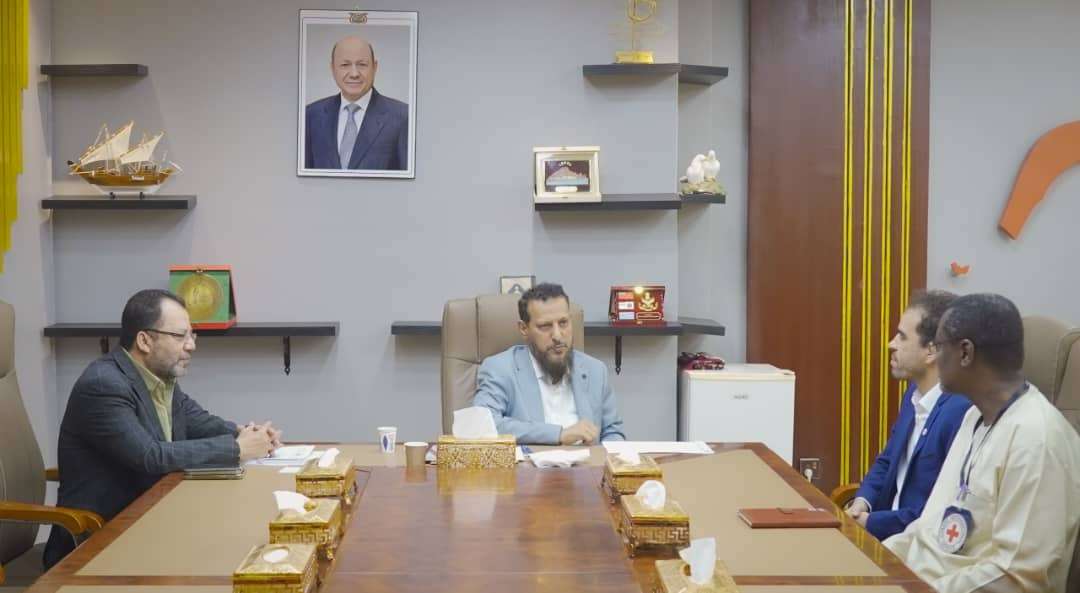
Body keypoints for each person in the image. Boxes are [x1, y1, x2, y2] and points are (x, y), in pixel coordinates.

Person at [43, 290, 282, 569]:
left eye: (192, 335)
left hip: (152, 522)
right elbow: (150, 456)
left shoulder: (159, 378)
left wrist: (248, 433)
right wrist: (238, 448)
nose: (191, 345)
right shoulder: (103, 385)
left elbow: (197, 421)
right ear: (145, 340)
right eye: (180, 336)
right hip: (100, 541)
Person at [884, 293, 1080, 593]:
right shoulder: (975, 416)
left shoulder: (1037, 439)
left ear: (965, 352)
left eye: (939, 346)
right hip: (918, 579)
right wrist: (875, 560)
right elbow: (928, 526)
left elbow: (1019, 577)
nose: (934, 357)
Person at [845, 290, 971, 540]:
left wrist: (870, 522)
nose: (891, 344)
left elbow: (937, 511)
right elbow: (888, 459)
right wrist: (862, 502)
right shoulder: (914, 393)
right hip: (883, 536)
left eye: (902, 337)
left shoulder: (961, 412)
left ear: (932, 351)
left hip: (916, 547)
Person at [472, 283, 625, 445]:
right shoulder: (500, 369)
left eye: (563, 323)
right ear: (524, 329)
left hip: (587, 460)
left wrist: (609, 454)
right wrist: (558, 434)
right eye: (545, 326)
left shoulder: (595, 370)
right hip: (530, 461)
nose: (557, 336)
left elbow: (613, 431)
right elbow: (482, 425)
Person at [304, 36, 408, 170]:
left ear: (375, 67)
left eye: (362, 64)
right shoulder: (310, 115)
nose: (354, 74)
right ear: (332, 68)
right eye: (345, 65)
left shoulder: (403, 117)